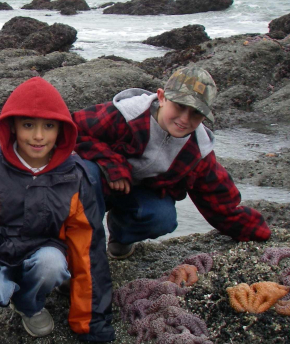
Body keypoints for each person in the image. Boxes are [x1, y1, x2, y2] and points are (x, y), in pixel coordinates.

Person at [0, 76, 116, 344]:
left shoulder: (76, 178)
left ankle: (28, 304)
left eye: (48, 126)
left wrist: (92, 322)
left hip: (42, 254)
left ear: (61, 129)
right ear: (11, 126)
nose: (38, 136)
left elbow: (89, 249)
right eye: (28, 125)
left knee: (52, 264)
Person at [72, 65, 271, 259]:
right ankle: (79, 249)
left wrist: (261, 235)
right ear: (161, 97)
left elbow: (220, 202)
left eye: (196, 113)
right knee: (82, 175)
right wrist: (112, 164)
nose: (185, 119)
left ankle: (121, 238)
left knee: (162, 218)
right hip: (102, 182)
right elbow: (73, 130)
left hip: (138, 193)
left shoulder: (197, 150)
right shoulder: (126, 115)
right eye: (180, 106)